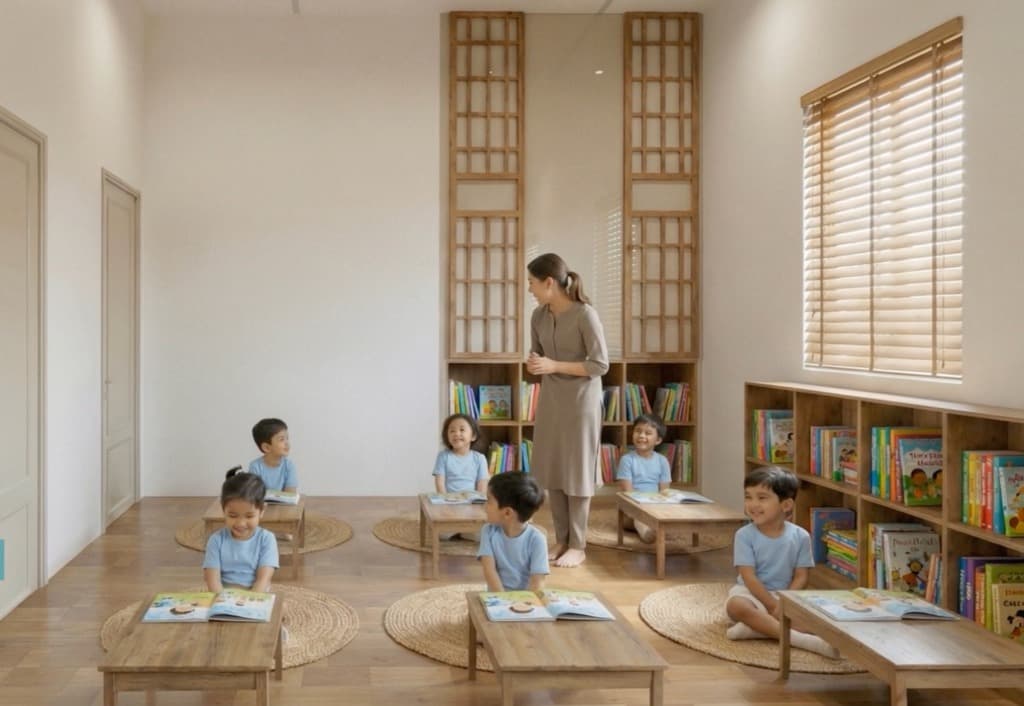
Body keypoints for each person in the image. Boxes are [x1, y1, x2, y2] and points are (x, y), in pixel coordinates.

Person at [526, 253, 609, 568]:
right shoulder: (538, 316)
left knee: (577, 470)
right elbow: (538, 355)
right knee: (553, 469)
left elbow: (599, 364)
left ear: (549, 282)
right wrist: (535, 364)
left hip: (581, 402)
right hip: (551, 399)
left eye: (532, 283)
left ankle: (578, 544)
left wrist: (554, 365)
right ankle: (561, 540)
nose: (530, 289)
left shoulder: (585, 315)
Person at [725, 466, 839, 658]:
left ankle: (757, 629)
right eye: (748, 497)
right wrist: (772, 606)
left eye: (762, 498)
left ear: (786, 505)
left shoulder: (801, 536)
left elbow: (801, 577)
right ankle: (801, 641)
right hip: (751, 594)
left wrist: (785, 601)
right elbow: (748, 576)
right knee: (736, 606)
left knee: (820, 618)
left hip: (786, 595)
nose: (753, 504)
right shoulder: (744, 535)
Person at [203, 468, 279, 593]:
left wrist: (250, 600)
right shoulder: (216, 540)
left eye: (249, 516)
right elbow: (212, 581)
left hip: (256, 594)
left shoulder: (267, 539)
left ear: (262, 511)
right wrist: (223, 601)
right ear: (223, 510)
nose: (240, 523)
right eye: (233, 516)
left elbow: (263, 580)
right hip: (223, 595)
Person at [478, 471, 549, 592]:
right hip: (496, 596)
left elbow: (537, 583)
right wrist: (503, 599)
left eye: (489, 501)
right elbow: (489, 571)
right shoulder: (488, 531)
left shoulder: (537, 540)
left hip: (526, 599)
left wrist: (523, 602)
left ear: (507, 513)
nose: (484, 506)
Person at [616, 413, 671, 543]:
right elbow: (628, 492)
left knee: (666, 512)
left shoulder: (662, 461)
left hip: (655, 506)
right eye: (638, 431)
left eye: (648, 433)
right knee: (640, 516)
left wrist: (659, 505)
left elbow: (664, 491)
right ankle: (648, 533)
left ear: (658, 440)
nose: (641, 435)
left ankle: (656, 526)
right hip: (632, 509)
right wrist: (644, 506)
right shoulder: (627, 460)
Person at [433, 413, 489, 495]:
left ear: (473, 436)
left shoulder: (480, 458)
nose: (456, 433)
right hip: (449, 500)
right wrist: (445, 499)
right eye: (452, 431)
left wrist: (478, 500)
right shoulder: (443, 456)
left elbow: (482, 486)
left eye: (462, 430)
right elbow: (440, 484)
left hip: (473, 501)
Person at [248, 417, 297, 492]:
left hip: (284, 501)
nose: (287, 443)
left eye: (287, 438)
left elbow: (291, 493)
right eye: (281, 439)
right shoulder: (255, 467)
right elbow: (255, 494)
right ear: (266, 447)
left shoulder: (289, 465)